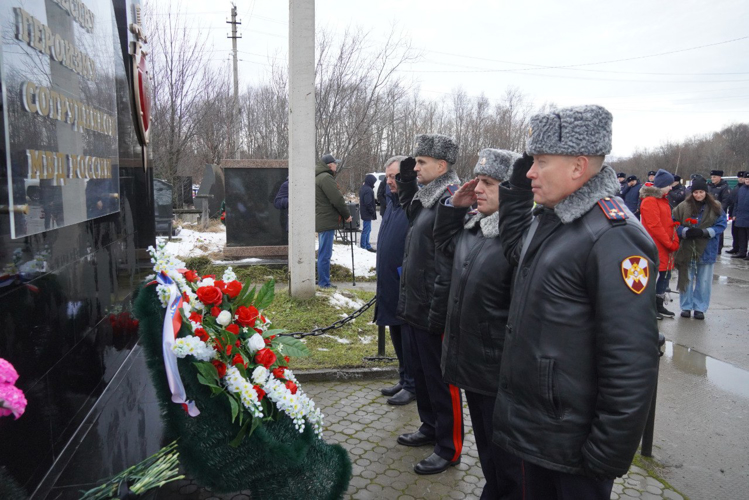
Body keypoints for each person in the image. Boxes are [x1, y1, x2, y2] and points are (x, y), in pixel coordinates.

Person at [494, 105, 660, 500]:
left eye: (540, 162)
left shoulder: (613, 236)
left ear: (577, 167)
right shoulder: (553, 218)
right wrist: (517, 189)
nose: (530, 171)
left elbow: (632, 358)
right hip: (537, 433)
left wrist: (606, 454)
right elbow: (516, 251)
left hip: (573, 450)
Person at [434, 148, 524, 500]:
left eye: (489, 183)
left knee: (508, 460)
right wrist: (454, 209)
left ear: (514, 191)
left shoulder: (517, 238)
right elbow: (443, 247)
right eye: (478, 181)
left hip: (499, 368)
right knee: (489, 452)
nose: (479, 189)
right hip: (472, 362)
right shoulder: (475, 226)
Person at [395, 134, 463, 475]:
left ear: (442, 165)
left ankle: (449, 446)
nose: (417, 166)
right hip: (416, 303)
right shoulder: (429, 197)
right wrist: (407, 180)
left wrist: (438, 313)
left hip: (434, 308)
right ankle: (429, 426)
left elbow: (447, 263)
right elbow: (411, 215)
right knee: (422, 374)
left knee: (441, 381)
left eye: (422, 162)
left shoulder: (452, 200)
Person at [374, 156, 416, 406]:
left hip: (404, 282)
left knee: (408, 336)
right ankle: (403, 377)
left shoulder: (412, 203)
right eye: (388, 176)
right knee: (395, 332)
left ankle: (413, 384)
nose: (390, 181)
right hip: (389, 281)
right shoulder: (391, 202)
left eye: (395, 176)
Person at [673, 176, 728, 319]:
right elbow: (673, 222)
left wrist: (706, 232)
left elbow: (721, 224)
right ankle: (686, 306)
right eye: (695, 192)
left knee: (703, 281)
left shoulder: (715, 206)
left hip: (707, 248)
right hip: (687, 248)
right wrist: (684, 232)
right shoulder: (683, 206)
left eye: (701, 192)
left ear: (706, 192)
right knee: (687, 278)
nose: (698, 195)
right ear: (692, 193)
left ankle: (700, 307)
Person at [639, 169, 680, 319]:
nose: (671, 187)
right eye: (669, 185)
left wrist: (674, 236)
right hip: (656, 245)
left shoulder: (663, 200)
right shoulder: (650, 201)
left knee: (664, 276)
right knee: (654, 277)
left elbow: (666, 222)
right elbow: (654, 226)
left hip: (665, 246)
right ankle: (650, 308)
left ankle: (659, 304)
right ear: (661, 185)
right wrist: (669, 242)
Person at [315, 153, 352, 289]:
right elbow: (337, 199)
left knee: (323, 252)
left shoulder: (319, 177)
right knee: (325, 253)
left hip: (323, 219)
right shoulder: (326, 178)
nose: (337, 165)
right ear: (330, 165)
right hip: (326, 221)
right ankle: (324, 283)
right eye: (335, 163)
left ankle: (323, 280)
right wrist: (347, 215)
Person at [708, 169, 731, 253]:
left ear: (719, 177)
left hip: (718, 212)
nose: (712, 178)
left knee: (718, 230)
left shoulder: (724, 187)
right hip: (708, 211)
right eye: (711, 177)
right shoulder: (710, 186)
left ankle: (718, 248)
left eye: (714, 177)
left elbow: (726, 201)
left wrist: (718, 210)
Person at [728, 172, 749, 259]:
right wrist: (734, 214)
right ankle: (742, 252)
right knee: (741, 236)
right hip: (741, 216)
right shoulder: (741, 189)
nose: (747, 180)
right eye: (746, 179)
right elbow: (736, 203)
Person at [359, 174, 377, 252]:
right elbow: (368, 203)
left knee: (367, 229)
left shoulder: (364, 188)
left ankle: (366, 244)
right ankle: (364, 246)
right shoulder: (368, 190)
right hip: (367, 213)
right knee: (366, 230)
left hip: (364, 212)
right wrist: (372, 211)